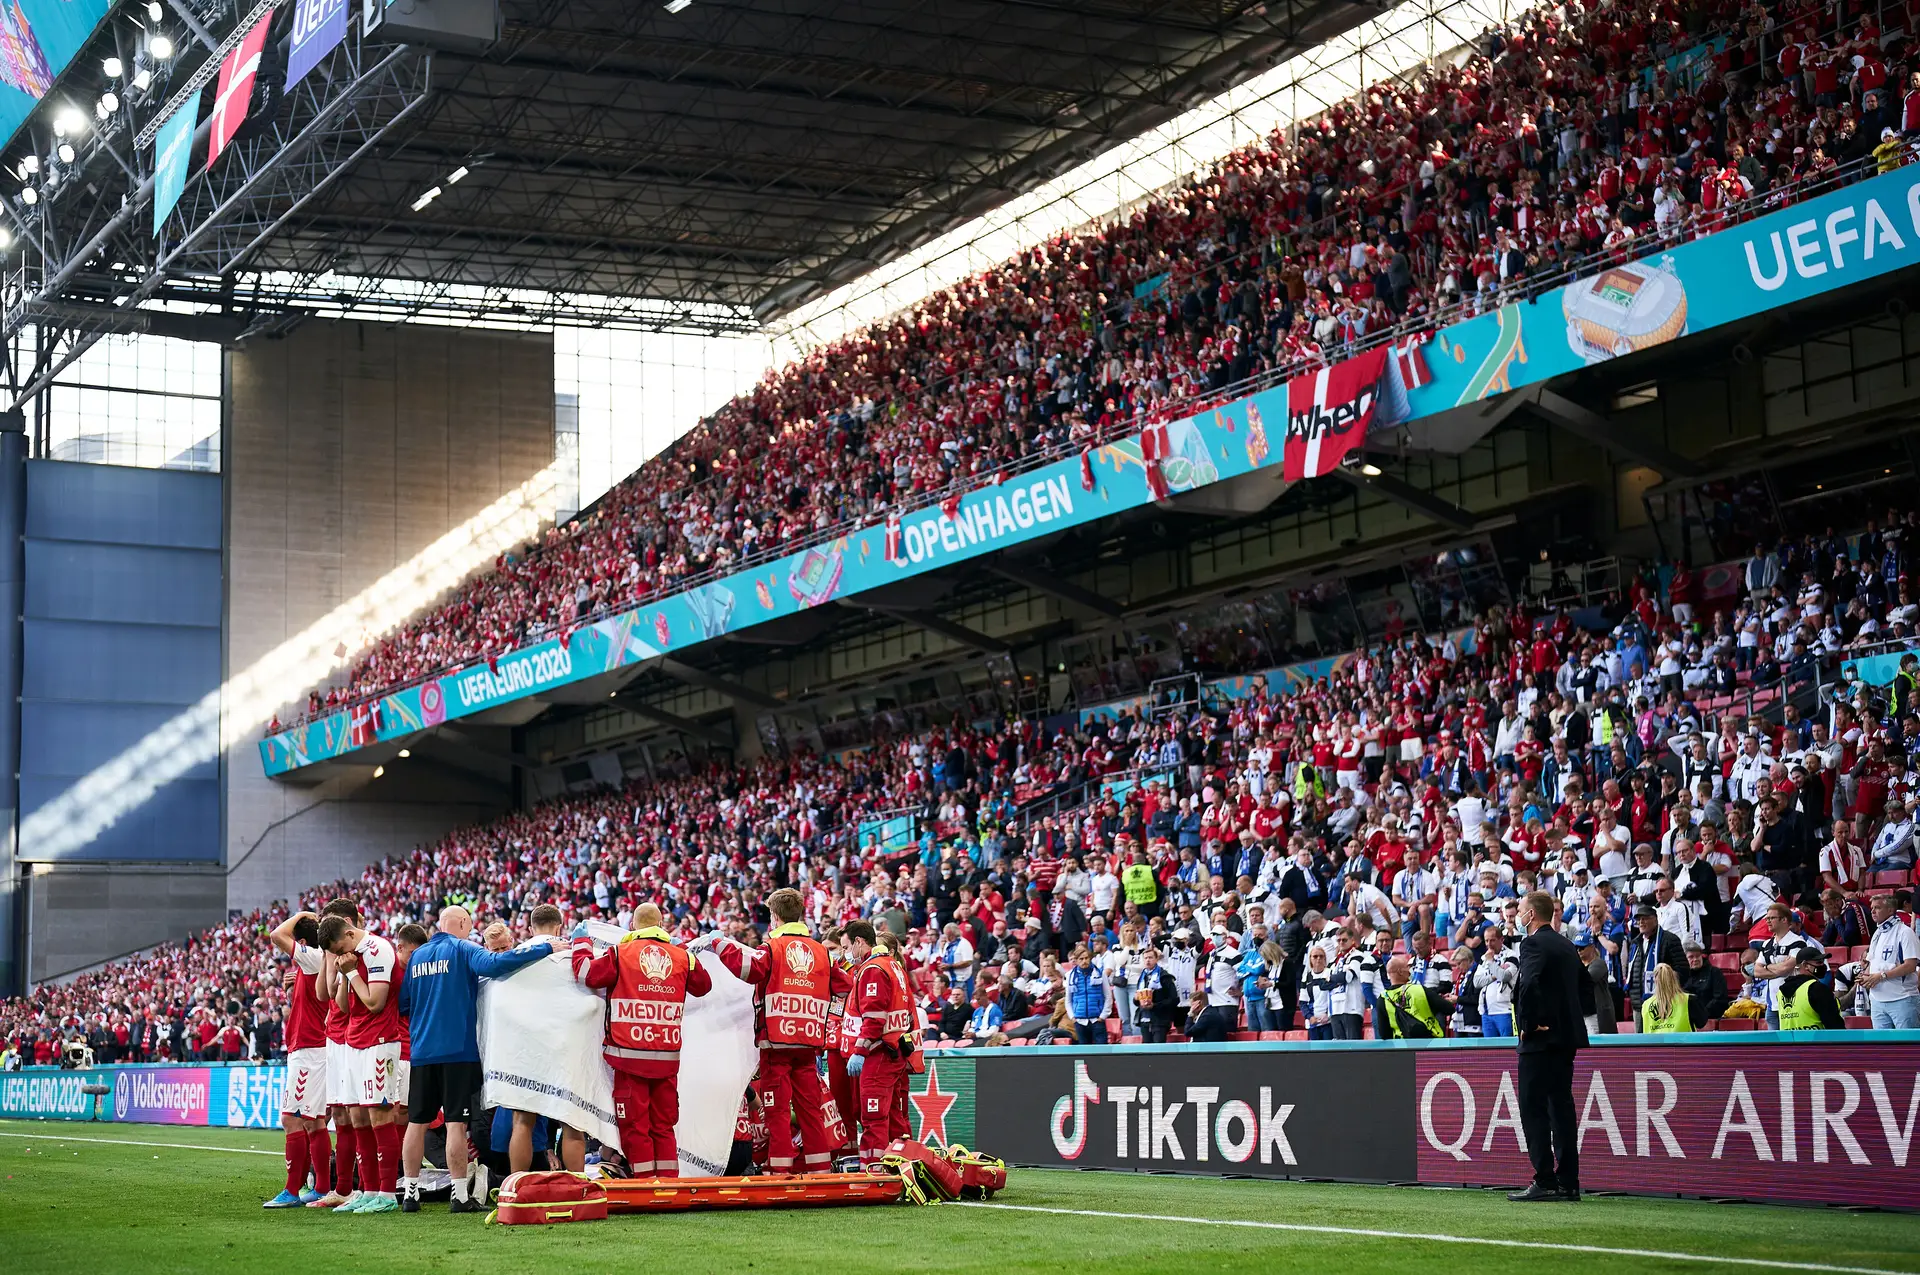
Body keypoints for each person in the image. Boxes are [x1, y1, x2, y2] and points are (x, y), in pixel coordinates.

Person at [396, 904, 552, 1211]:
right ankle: (460, 1196)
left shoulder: (417, 957)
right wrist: (545, 947)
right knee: (456, 1124)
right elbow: (497, 963)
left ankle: (411, 1194)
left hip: (422, 1053)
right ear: (464, 924)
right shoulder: (463, 949)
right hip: (457, 1052)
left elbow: (404, 1005)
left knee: (416, 1123)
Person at [704, 888, 841, 1175]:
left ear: (775, 917)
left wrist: (719, 943)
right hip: (808, 1042)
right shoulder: (821, 952)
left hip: (776, 1043)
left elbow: (747, 969)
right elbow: (844, 985)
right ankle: (821, 1174)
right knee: (810, 1112)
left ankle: (780, 1174)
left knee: (777, 1113)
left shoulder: (772, 948)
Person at [570, 902, 712, 1177]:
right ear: (662, 926)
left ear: (633, 925)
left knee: (636, 1127)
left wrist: (581, 942)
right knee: (663, 1125)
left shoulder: (621, 952)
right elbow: (703, 985)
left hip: (629, 1058)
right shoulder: (680, 956)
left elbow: (586, 973)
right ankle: (669, 1185)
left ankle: (646, 1185)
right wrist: (685, 953)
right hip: (667, 1060)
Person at [316, 911, 409, 1213]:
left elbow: (374, 1002)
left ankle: (387, 1193)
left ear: (348, 934)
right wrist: (345, 974)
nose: (340, 956)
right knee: (359, 1120)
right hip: (353, 1043)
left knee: (381, 1118)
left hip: (380, 1043)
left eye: (339, 949)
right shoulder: (351, 958)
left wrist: (353, 973)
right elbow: (342, 1006)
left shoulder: (378, 949)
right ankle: (367, 1190)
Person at [1510, 890, 1589, 1203]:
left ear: (1531, 915)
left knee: (1533, 1107)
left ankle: (1545, 1179)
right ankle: (1568, 1181)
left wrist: (1530, 1024)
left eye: (1521, 910)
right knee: (1562, 1108)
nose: (1519, 915)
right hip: (1566, 1037)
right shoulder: (1567, 944)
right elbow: (1585, 985)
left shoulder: (1532, 943)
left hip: (1540, 1040)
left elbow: (1528, 984)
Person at [263, 910, 331, 1209]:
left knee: (292, 1118)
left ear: (302, 942)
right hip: (310, 1048)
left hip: (310, 1051)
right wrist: (292, 991)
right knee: (314, 1122)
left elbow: (276, 935)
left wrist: (302, 914)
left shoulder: (314, 956)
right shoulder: (312, 965)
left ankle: (292, 1190)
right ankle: (320, 1188)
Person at [845, 920, 918, 1166]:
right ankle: (903, 1168)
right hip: (895, 1049)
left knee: (874, 1117)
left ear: (858, 941)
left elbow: (875, 1017)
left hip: (879, 1052)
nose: (848, 954)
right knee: (895, 1118)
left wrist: (859, 1051)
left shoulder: (873, 969)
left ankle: (874, 1171)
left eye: (848, 946)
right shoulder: (893, 965)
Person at [1859, 892, 1920, 1029]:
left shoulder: (1905, 932)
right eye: (1872, 908)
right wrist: (1865, 977)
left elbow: (1910, 965)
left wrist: (1881, 976)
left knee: (1908, 1047)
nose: (1873, 911)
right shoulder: (1877, 933)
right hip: (1877, 1001)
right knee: (1882, 1048)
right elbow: (1871, 963)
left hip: (1902, 999)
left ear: (1891, 910)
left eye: (1878, 908)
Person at [1376, 955, 1454, 1039]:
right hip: (1429, 1043)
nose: (1410, 971)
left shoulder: (1383, 998)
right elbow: (1449, 1008)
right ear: (1400, 972)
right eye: (1407, 967)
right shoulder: (1419, 989)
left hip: (1401, 1046)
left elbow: (1384, 1034)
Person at [1777, 948, 1846, 1030]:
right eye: (1819, 962)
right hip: (1817, 1041)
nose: (1823, 966)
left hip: (1788, 1042)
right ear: (1805, 965)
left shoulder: (1780, 992)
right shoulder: (1818, 989)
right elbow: (1834, 1025)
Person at [1131, 943, 1179, 1042]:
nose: (1148, 960)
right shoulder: (1142, 977)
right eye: (1145, 958)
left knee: (1158, 1050)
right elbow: (1137, 1001)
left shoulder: (1165, 977)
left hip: (1160, 1020)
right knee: (1146, 1052)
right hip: (1144, 1019)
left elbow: (1174, 999)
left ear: (1157, 959)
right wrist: (1136, 999)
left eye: (1150, 957)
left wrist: (1155, 1005)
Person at [1639, 963, 1707, 1032]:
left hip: (1653, 1042)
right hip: (1683, 1042)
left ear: (1655, 982)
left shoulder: (1646, 1005)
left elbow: (1640, 1033)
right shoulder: (1689, 1000)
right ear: (1674, 978)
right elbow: (1701, 1023)